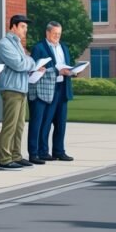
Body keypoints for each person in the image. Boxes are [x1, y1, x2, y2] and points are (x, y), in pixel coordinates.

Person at [0, 14, 44, 170]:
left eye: (26, 27)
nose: (25, 30)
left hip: (22, 89)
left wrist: (28, 62)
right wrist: (30, 62)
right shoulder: (3, 44)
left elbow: (26, 62)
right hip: (11, 89)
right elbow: (18, 64)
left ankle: (16, 155)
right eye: (23, 27)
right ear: (13, 26)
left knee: (19, 125)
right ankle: (4, 159)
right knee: (10, 125)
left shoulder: (18, 44)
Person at [27, 21, 75, 163]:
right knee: (45, 122)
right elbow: (34, 70)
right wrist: (56, 71)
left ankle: (59, 151)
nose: (57, 37)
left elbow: (66, 66)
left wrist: (72, 71)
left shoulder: (64, 47)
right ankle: (41, 152)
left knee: (61, 123)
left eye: (59, 34)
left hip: (62, 88)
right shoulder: (39, 48)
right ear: (47, 33)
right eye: (54, 34)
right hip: (46, 89)